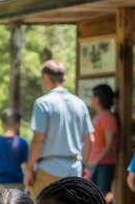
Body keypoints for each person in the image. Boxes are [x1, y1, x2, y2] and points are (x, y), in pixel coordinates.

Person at [24, 60, 92, 194]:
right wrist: (83, 165)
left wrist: (29, 168)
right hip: (74, 171)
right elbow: (90, 139)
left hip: (47, 170)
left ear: (45, 77)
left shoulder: (43, 103)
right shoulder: (79, 104)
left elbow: (37, 140)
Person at [86, 84, 118, 201]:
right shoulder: (99, 116)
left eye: (92, 96)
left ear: (98, 98)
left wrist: (96, 160)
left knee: (102, 197)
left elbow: (109, 143)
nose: (91, 100)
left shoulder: (107, 117)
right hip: (95, 164)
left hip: (104, 164)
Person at [0, 109, 27, 193]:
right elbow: (27, 166)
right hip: (17, 183)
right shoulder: (22, 142)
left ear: (2, 124)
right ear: (18, 125)